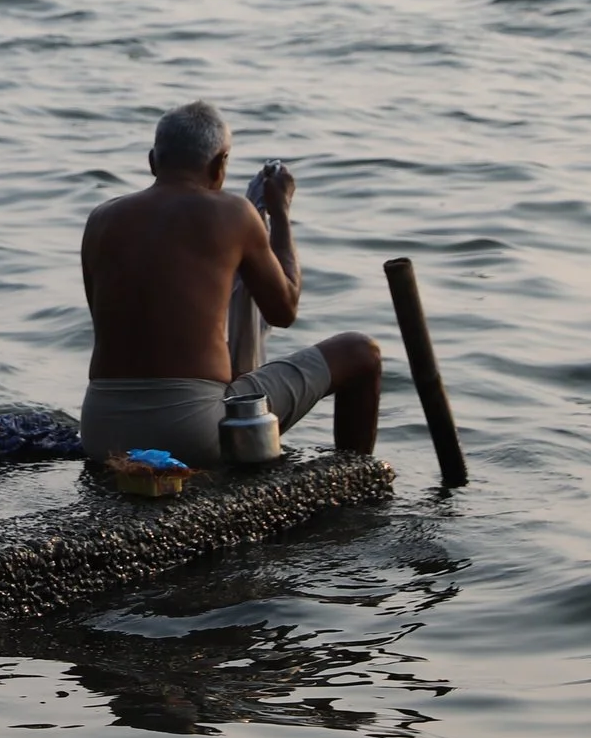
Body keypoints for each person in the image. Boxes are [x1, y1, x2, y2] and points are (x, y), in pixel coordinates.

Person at [78, 101, 380, 467]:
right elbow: (284, 308)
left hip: (100, 431)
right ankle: (354, 485)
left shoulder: (100, 218)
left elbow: (108, 319)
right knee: (361, 353)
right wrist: (280, 213)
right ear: (220, 165)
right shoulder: (234, 211)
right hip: (192, 432)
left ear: (153, 161)